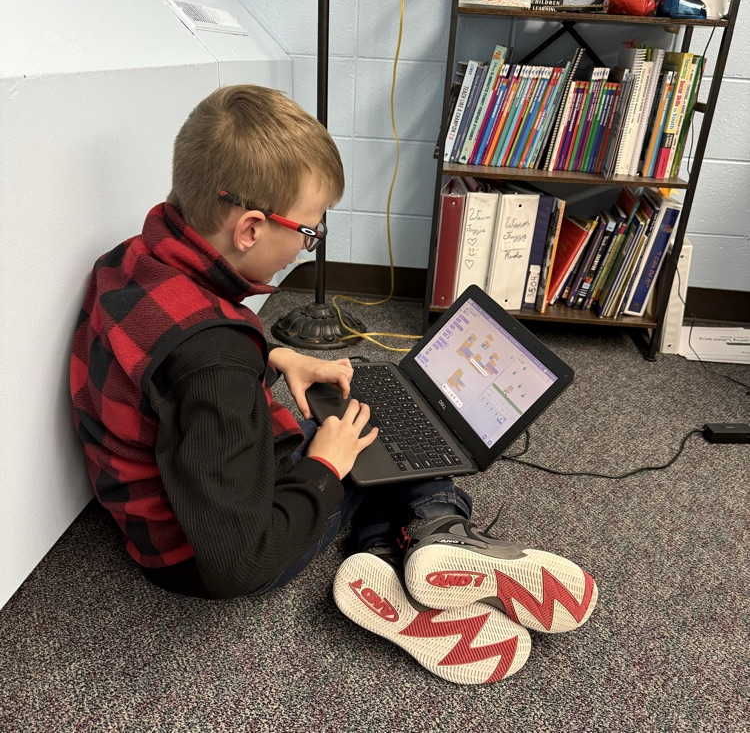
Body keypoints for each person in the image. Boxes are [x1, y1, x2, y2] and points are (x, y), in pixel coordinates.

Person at [70, 84, 598, 685]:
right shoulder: (215, 365)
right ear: (249, 228)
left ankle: (381, 561)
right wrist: (323, 466)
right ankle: (438, 526)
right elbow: (235, 561)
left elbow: (166, 363)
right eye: (308, 233)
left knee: (372, 429)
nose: (306, 247)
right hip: (196, 554)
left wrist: (276, 356)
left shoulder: (133, 257)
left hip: (169, 493)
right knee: (383, 440)